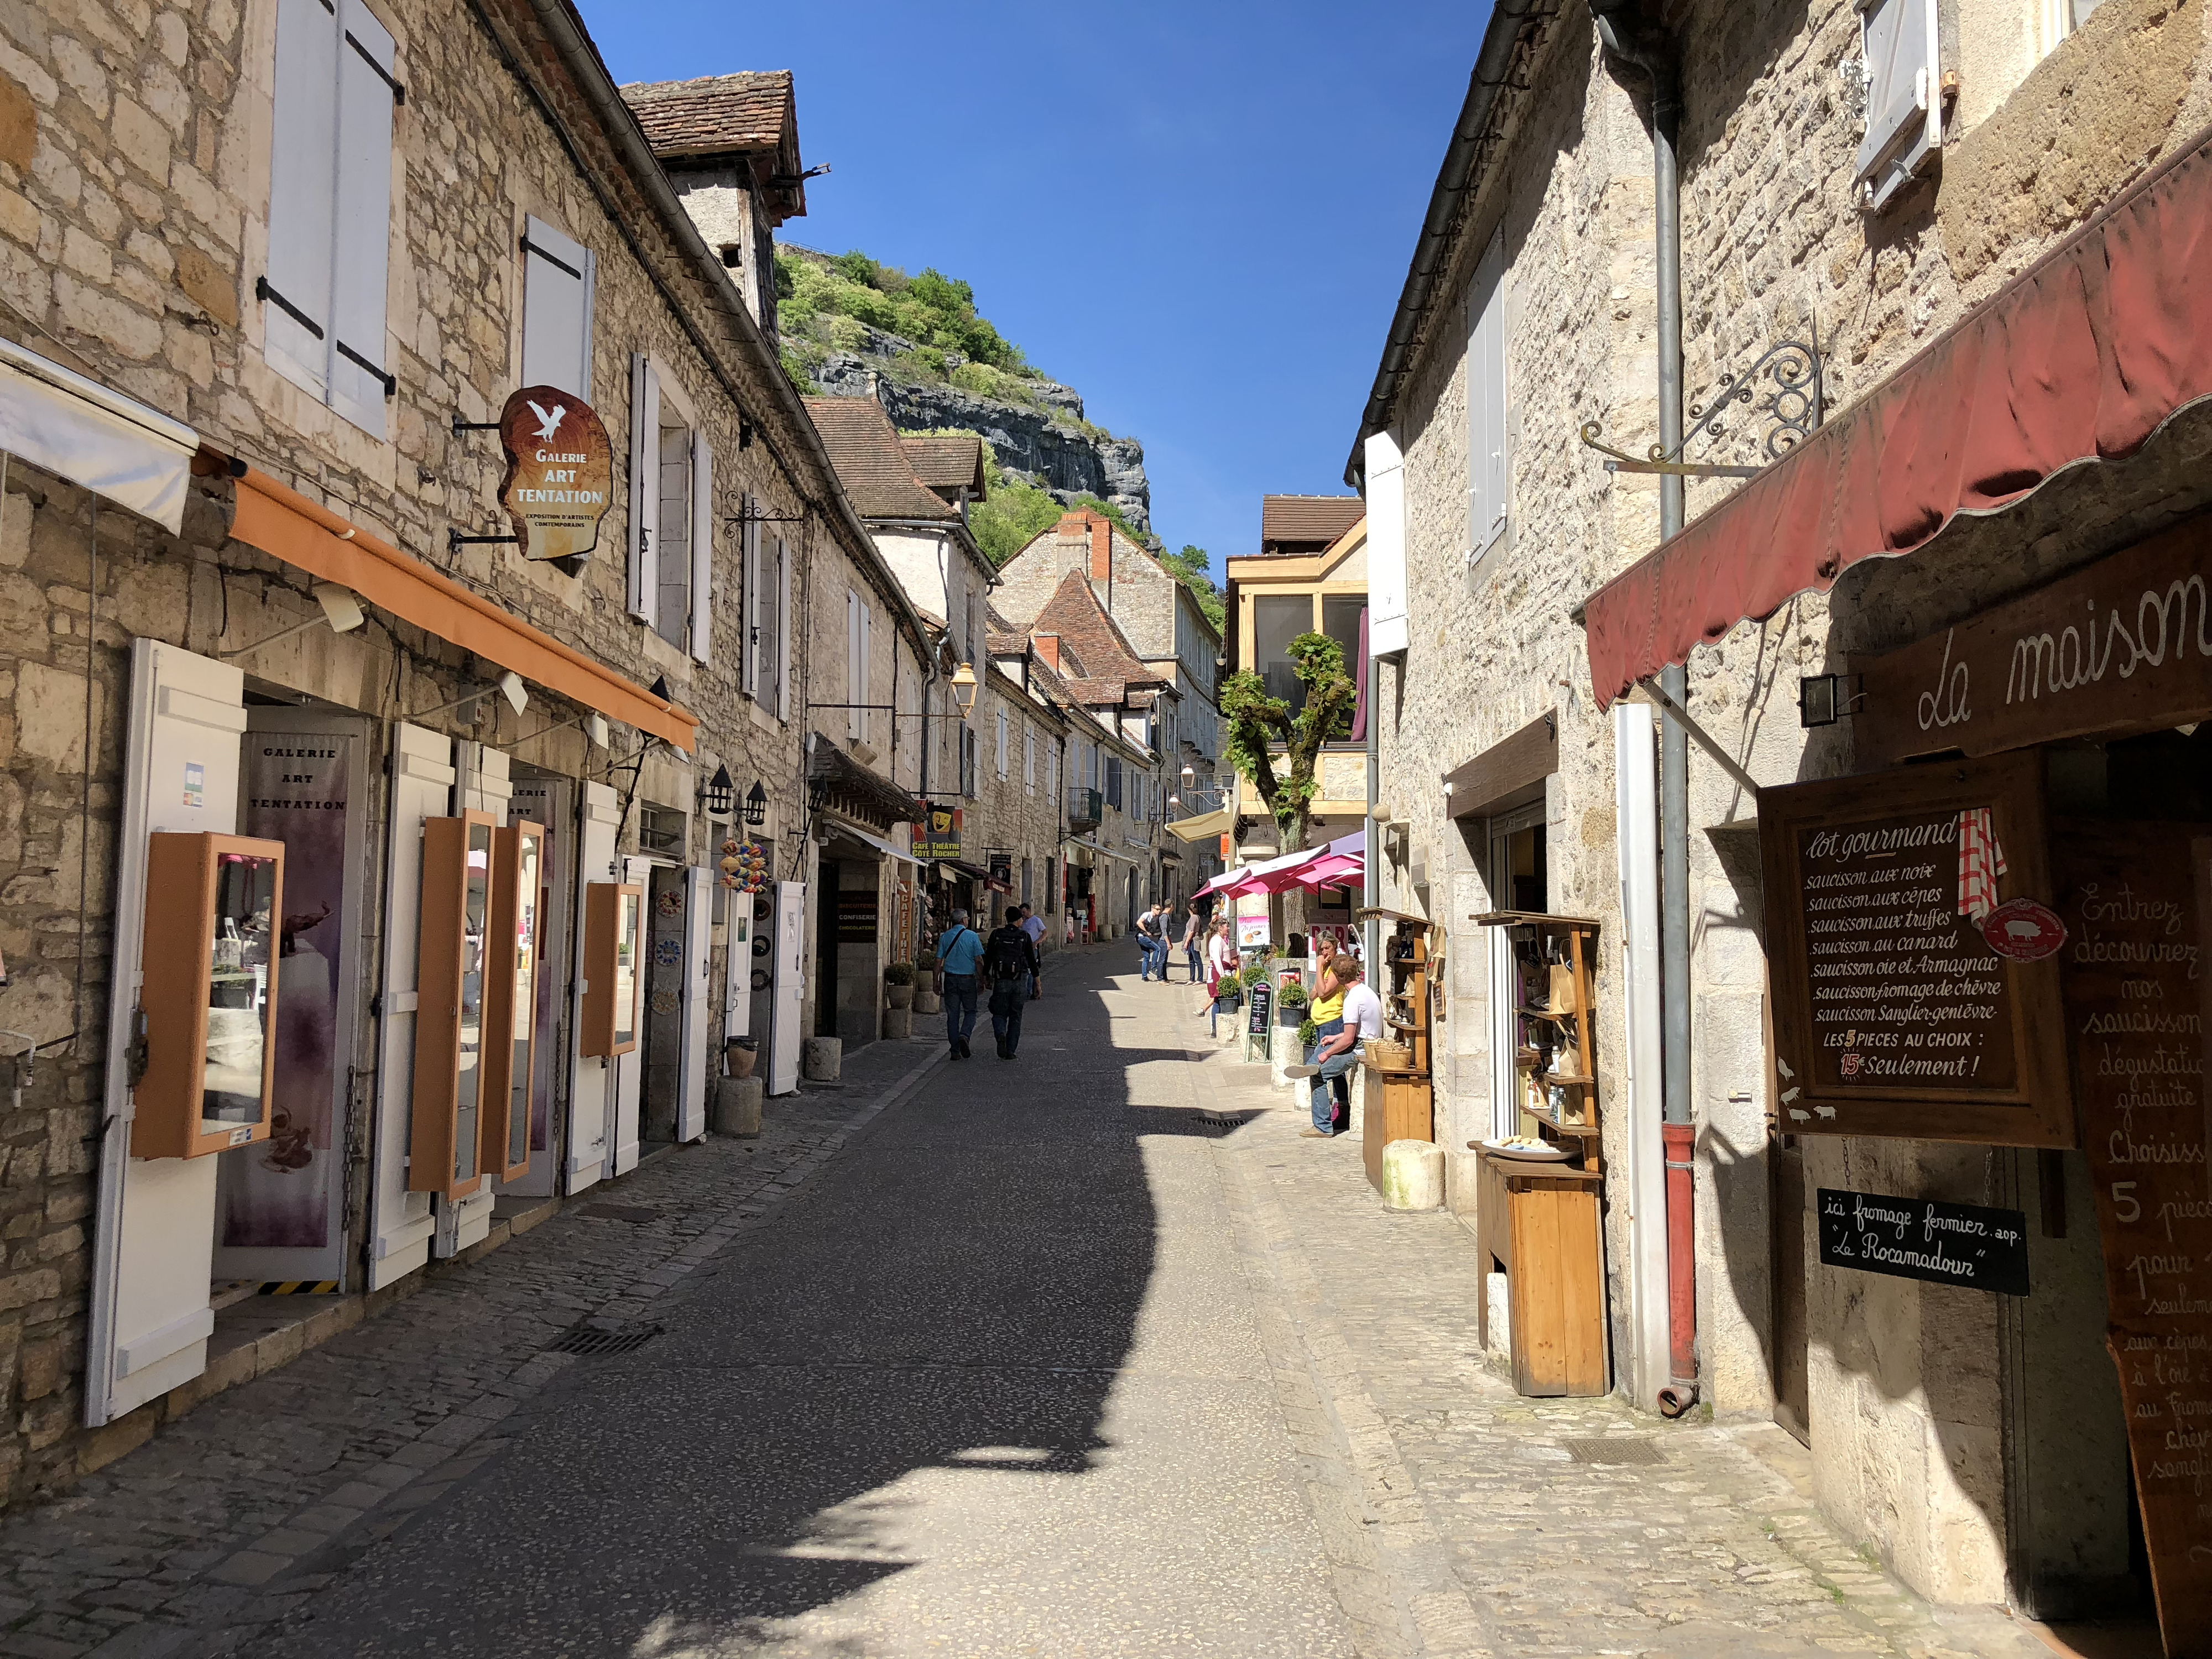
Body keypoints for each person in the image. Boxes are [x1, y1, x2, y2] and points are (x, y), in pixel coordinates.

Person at [1286, 957, 1382, 1137]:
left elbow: (1348, 1041)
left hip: (1360, 1050)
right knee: (1321, 1046)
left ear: (1337, 977)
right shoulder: (1366, 991)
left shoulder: (1352, 1000)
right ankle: (1312, 1063)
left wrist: (1328, 1054)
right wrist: (1334, 1038)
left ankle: (1322, 1127)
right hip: (1365, 1042)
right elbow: (1357, 1031)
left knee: (1318, 1076)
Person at [983, 904, 1042, 1059]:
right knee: (1016, 1016)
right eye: (1021, 919)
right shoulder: (1024, 937)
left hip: (1001, 980)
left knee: (998, 1012)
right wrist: (1038, 983)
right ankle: (1010, 1051)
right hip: (1019, 981)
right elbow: (1032, 962)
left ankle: (1001, 1033)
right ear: (1017, 920)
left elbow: (988, 958)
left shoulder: (996, 935)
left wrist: (985, 977)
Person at [935, 908, 987, 1059]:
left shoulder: (945, 937)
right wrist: (982, 979)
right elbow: (979, 961)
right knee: (971, 1011)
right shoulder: (972, 936)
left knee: (953, 1015)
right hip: (967, 979)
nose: (969, 920)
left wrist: (935, 981)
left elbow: (938, 960)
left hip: (950, 979)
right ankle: (964, 1035)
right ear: (963, 920)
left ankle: (955, 1050)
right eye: (968, 918)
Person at [1206, 917, 1239, 1036]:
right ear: (1220, 928)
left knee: (1219, 999)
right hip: (1219, 972)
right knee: (1217, 999)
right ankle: (1215, 1029)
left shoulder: (1221, 940)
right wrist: (1223, 975)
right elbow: (1217, 960)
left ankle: (1216, 1029)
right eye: (1227, 927)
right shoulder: (1216, 941)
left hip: (1223, 970)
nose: (1228, 929)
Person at [1019, 903, 1046, 999]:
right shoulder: (1022, 922)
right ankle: (1026, 991)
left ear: (1029, 911)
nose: (1023, 914)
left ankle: (1029, 992)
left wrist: (1037, 942)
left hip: (1032, 949)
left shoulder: (1036, 920)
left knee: (1031, 970)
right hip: (1022, 949)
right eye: (1021, 912)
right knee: (1024, 970)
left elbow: (1045, 933)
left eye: (1024, 912)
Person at [1135, 901, 1167, 980]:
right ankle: (1153, 967)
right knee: (1157, 948)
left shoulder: (1155, 918)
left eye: (1160, 909)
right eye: (1157, 909)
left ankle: (1144, 977)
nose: (1159, 911)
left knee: (1146, 957)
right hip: (1142, 937)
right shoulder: (1147, 915)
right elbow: (1139, 923)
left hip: (1143, 938)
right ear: (1152, 909)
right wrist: (1146, 932)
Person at [1178, 902, 1204, 984]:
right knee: (1191, 960)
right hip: (1192, 940)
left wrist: (1186, 943)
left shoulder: (1193, 917)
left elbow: (1191, 931)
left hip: (1193, 940)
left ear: (1189, 910)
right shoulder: (1197, 917)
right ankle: (1192, 978)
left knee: (1197, 959)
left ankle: (1199, 979)